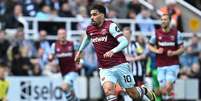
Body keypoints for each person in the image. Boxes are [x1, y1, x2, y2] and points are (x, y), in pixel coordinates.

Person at [75, 4, 156, 101]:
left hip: (119, 65)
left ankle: (144, 90)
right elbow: (88, 38)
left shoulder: (110, 26)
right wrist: (79, 51)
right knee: (108, 91)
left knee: (133, 94)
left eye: (95, 14)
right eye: (91, 15)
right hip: (105, 67)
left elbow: (124, 42)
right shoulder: (90, 29)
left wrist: (113, 51)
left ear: (103, 15)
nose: (92, 17)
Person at [147, 14, 184, 99]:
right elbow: (149, 46)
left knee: (168, 86)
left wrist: (174, 53)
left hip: (173, 64)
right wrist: (156, 50)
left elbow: (182, 49)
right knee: (163, 90)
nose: (163, 21)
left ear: (169, 21)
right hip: (160, 65)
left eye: (165, 19)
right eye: (162, 19)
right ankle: (162, 96)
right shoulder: (156, 33)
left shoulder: (176, 33)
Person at [49, 28, 79, 101]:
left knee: (64, 87)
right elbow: (51, 57)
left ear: (66, 35)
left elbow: (79, 54)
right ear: (58, 36)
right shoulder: (54, 46)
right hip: (63, 73)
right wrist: (50, 58)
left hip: (72, 71)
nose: (62, 35)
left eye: (63, 34)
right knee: (71, 92)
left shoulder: (72, 44)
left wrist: (79, 62)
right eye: (60, 34)